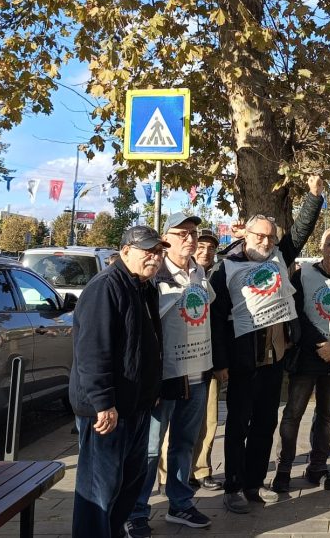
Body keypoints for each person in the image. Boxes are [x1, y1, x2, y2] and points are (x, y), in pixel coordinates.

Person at [211, 175, 324, 514]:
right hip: (243, 361)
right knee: (237, 424)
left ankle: (253, 483)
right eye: (258, 235)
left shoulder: (277, 256)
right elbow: (216, 318)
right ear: (245, 233)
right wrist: (220, 363)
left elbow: (300, 232)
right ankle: (232, 486)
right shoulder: (226, 267)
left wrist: (314, 196)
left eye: (270, 236)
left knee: (265, 423)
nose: (264, 240)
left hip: (274, 358)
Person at [70, 226, 166, 537]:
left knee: (129, 480)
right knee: (99, 489)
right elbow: (92, 351)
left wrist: (150, 391)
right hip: (108, 411)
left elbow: (145, 346)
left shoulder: (144, 286)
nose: (154, 256)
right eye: (147, 250)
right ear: (125, 251)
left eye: (158, 251)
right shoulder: (106, 286)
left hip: (136, 404)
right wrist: (103, 403)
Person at [127, 213, 214, 536]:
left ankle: (180, 503)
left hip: (196, 372)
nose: (189, 239)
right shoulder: (156, 274)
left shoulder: (199, 271)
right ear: (166, 239)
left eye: (193, 233)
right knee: (150, 448)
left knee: (184, 443)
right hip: (163, 377)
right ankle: (136, 510)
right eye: (181, 233)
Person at [272, 228, 330, 493]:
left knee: (327, 415)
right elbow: (296, 314)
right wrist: (320, 345)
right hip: (308, 356)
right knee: (293, 414)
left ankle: (318, 467)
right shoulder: (304, 275)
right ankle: (284, 468)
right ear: (321, 246)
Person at [189, 227, 224, 492]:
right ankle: (171, 475)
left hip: (211, 357)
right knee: (177, 421)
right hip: (182, 358)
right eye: (201, 246)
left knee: (209, 417)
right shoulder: (182, 274)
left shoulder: (221, 275)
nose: (205, 252)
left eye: (211, 248)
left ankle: (202, 469)